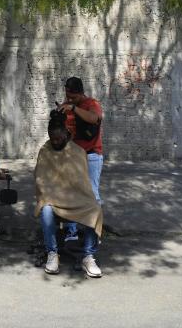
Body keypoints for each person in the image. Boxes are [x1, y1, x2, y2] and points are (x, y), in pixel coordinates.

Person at [35, 113, 103, 278]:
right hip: (53, 198)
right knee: (46, 209)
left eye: (59, 138)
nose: (55, 142)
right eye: (53, 139)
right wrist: (53, 195)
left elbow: (82, 183)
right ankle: (52, 253)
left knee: (95, 209)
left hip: (75, 199)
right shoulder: (45, 150)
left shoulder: (78, 152)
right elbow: (41, 180)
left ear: (67, 134)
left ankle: (88, 256)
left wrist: (72, 196)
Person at [59, 76, 104, 241]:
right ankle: (72, 232)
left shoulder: (92, 104)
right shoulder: (68, 104)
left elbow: (94, 118)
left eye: (74, 97)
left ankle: (94, 233)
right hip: (73, 154)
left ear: (81, 93)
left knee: (92, 195)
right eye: (68, 96)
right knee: (71, 194)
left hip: (92, 155)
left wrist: (74, 108)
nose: (70, 100)